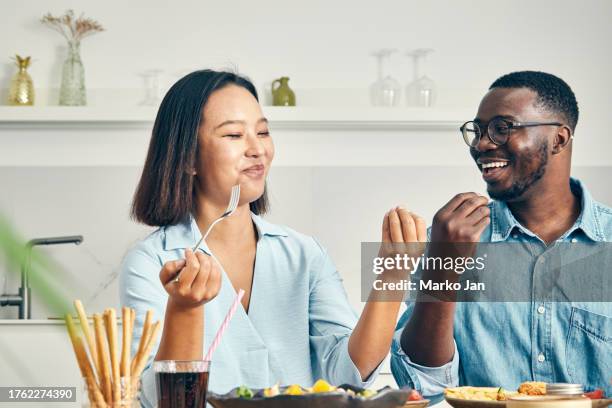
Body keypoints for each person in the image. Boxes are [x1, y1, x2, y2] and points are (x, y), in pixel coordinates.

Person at [119, 69, 426, 407]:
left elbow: (349, 376)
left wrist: (392, 278)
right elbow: (159, 401)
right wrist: (184, 309)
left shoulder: (304, 254)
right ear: (188, 157)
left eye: (263, 132)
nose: (258, 149)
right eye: (234, 135)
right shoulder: (151, 261)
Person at [390, 71, 612, 400]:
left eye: (502, 128)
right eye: (477, 131)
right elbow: (424, 387)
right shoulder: (449, 239)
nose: (481, 144)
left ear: (559, 139)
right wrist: (442, 273)